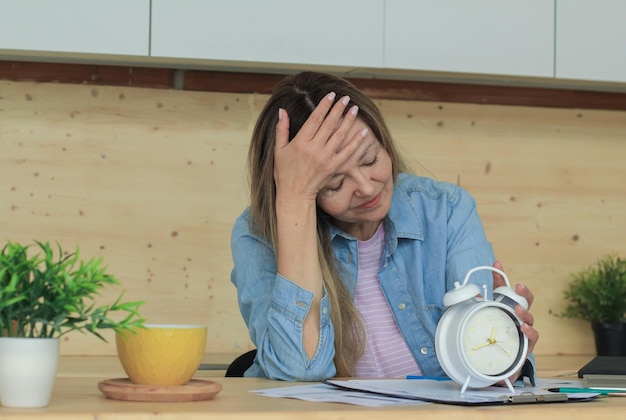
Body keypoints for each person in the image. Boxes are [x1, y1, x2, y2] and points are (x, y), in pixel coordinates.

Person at [230, 71, 538, 383]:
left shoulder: (445, 210)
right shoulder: (258, 234)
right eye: (334, 184)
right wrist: (294, 203)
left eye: (370, 160)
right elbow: (300, 369)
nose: (365, 188)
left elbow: (484, 359)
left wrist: (504, 360)